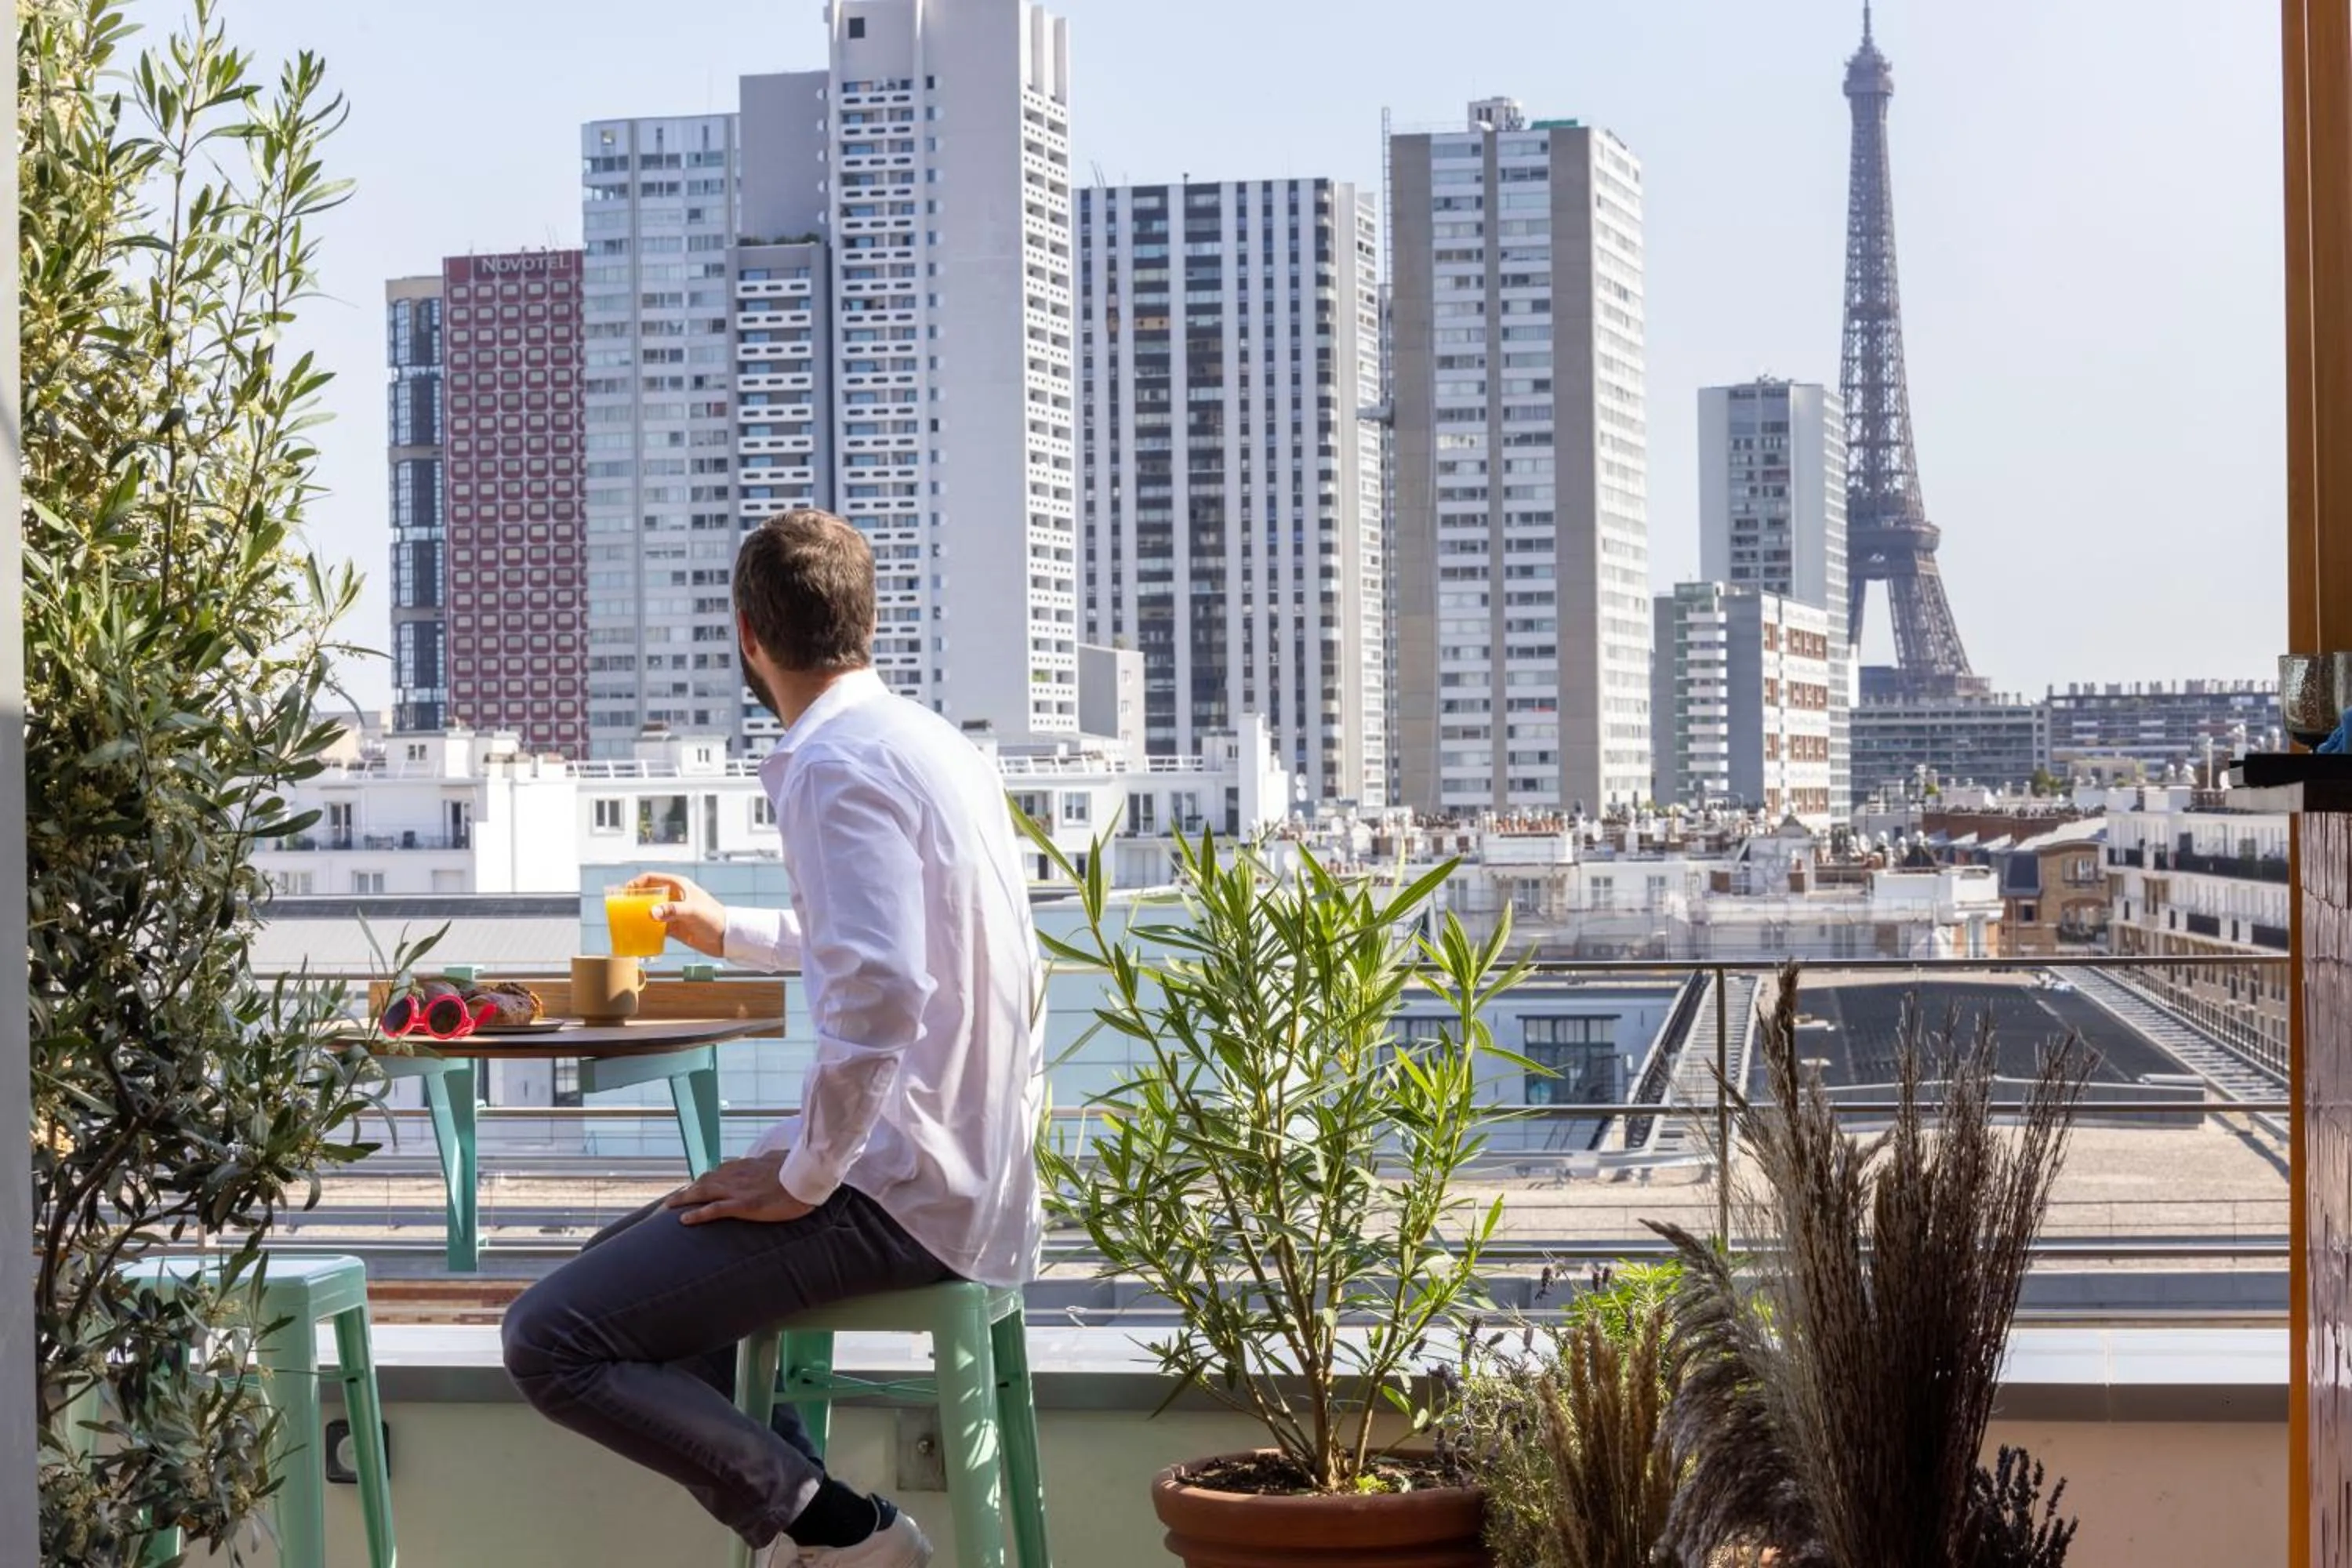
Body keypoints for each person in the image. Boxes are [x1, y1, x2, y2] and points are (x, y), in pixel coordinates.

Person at [502, 509, 1046, 1567]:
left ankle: (845, 1535)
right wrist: (726, 929)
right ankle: (814, 1522)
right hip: (970, 1169)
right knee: (632, 1270)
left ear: (748, 634)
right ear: (868, 622)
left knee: (552, 1338)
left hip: (901, 1191)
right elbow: (880, 943)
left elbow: (883, 988)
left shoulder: (833, 763)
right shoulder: (929, 744)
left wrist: (802, 1176)